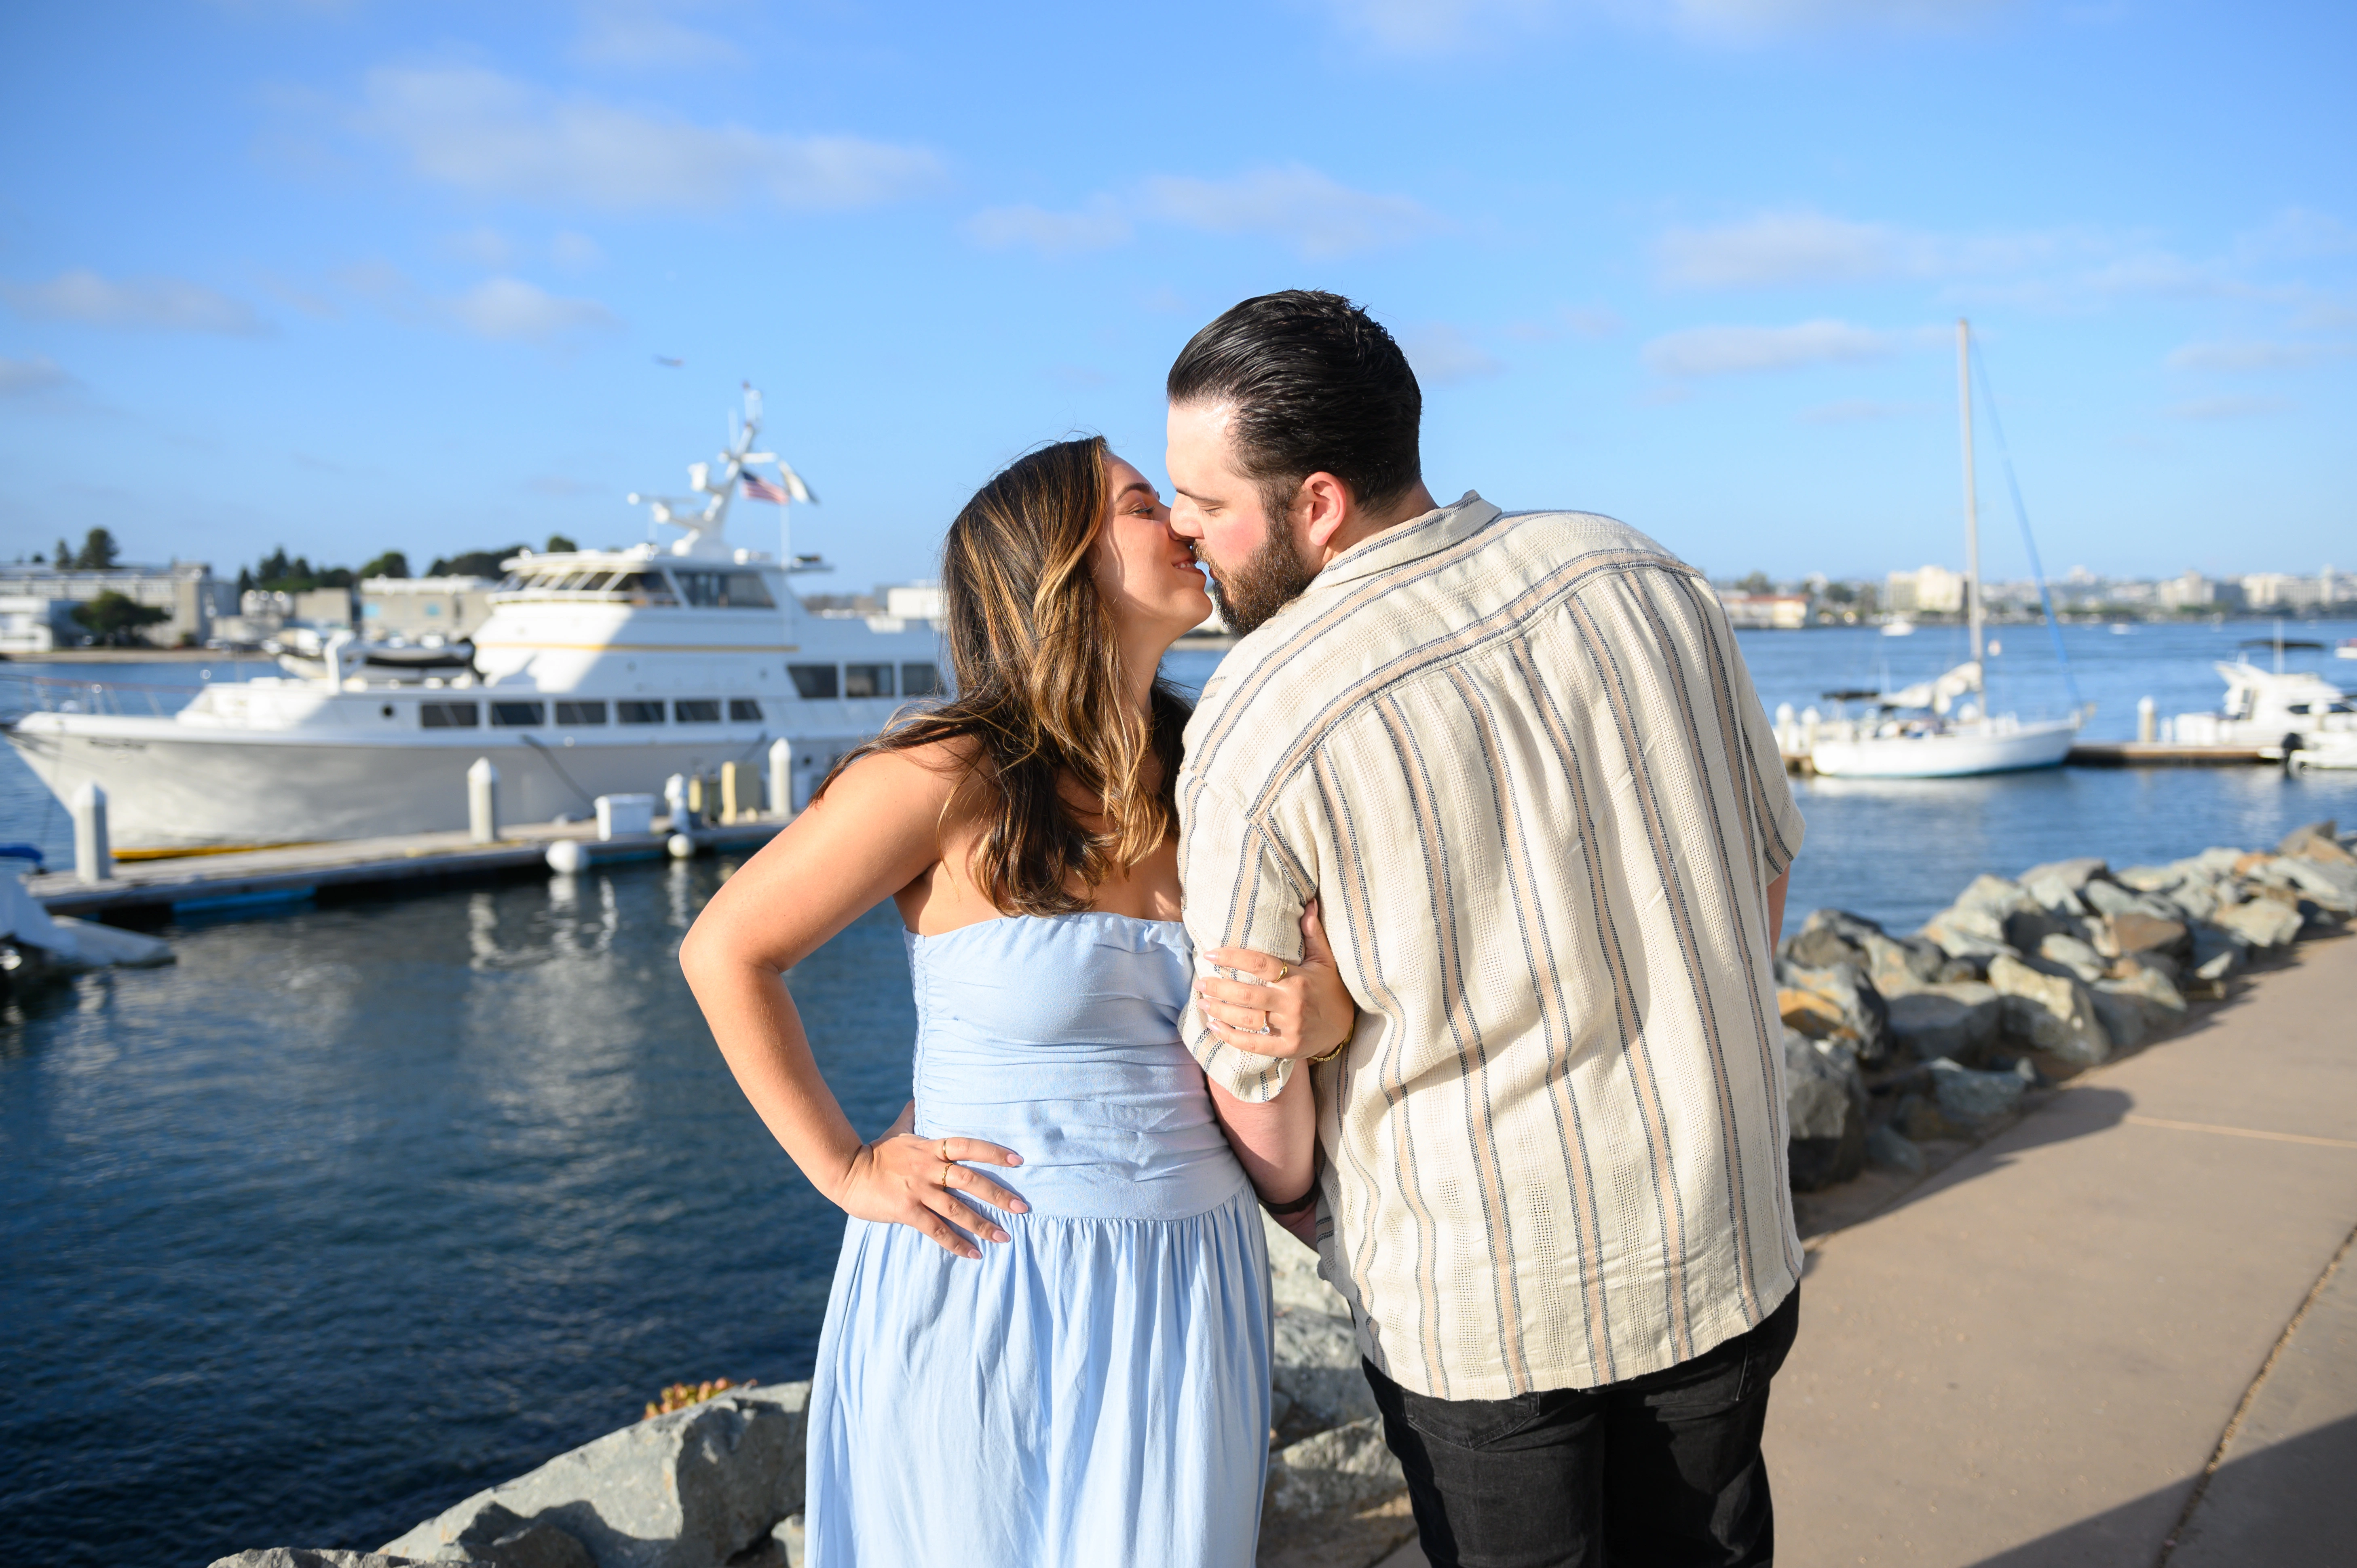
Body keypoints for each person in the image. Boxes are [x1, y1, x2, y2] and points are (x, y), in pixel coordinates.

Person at [1168, 290, 1807, 1568]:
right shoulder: (1636, 569)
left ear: (1317, 503)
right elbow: (1766, 862)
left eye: (1208, 504)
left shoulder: (1260, 709)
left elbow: (1253, 1067)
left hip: (1484, 1305)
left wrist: (1305, 1200)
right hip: (1716, 1228)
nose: (1188, 534)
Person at [678, 436, 1357, 1568]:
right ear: (1061, 566)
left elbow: (1310, 990)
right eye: (1147, 505)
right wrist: (846, 1168)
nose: (1187, 523)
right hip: (985, 1274)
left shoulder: (1218, 778)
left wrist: (1322, 1015)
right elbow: (727, 951)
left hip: (1189, 1280)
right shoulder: (949, 776)